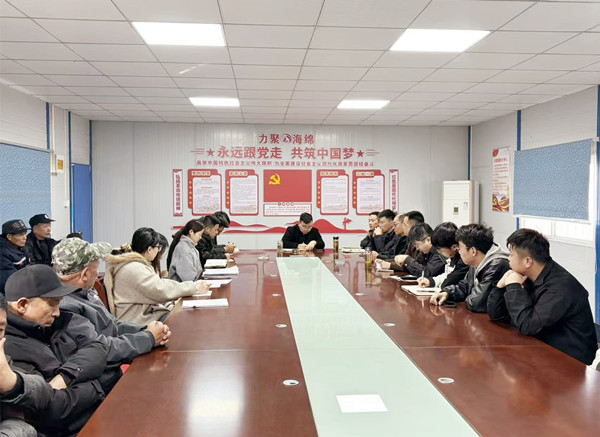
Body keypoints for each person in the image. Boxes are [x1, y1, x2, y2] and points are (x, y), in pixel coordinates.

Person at [3, 265, 114, 435]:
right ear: (23, 305)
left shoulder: (55, 324)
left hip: (100, 411)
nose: (57, 313)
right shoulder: (9, 348)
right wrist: (96, 384)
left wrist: (66, 377)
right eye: (52, 304)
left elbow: (97, 348)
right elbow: (53, 409)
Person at [53, 238, 171, 366]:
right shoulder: (64, 307)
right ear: (85, 275)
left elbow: (112, 326)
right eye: (96, 269)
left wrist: (147, 330)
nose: (97, 275)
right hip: (105, 374)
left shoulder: (84, 292)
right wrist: (148, 338)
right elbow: (99, 348)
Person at [488, 229, 598, 365]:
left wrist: (513, 286)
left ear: (528, 261)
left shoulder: (560, 287)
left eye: (511, 255)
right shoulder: (528, 275)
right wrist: (500, 287)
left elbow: (527, 325)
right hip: (540, 348)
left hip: (571, 361)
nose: (508, 259)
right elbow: (497, 316)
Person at [104, 227, 209, 324]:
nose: (159, 252)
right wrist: (193, 287)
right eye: (158, 248)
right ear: (150, 249)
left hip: (146, 315)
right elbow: (160, 289)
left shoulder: (136, 265)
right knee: (189, 319)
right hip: (138, 321)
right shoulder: (134, 268)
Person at [430, 224, 509, 313]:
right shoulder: (476, 261)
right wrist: (447, 293)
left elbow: (476, 303)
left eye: (460, 248)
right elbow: (464, 287)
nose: (459, 252)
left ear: (473, 251)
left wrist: (468, 294)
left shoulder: (496, 265)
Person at [417, 222, 469, 289]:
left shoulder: (463, 260)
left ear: (454, 247)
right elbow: (447, 275)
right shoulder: (452, 256)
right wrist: (431, 281)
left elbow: (449, 282)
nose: (439, 252)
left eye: (440, 250)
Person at [0, 219, 31, 292]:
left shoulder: (21, 247)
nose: (25, 237)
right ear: (9, 237)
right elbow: (10, 281)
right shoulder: (2, 253)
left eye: (25, 233)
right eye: (21, 235)